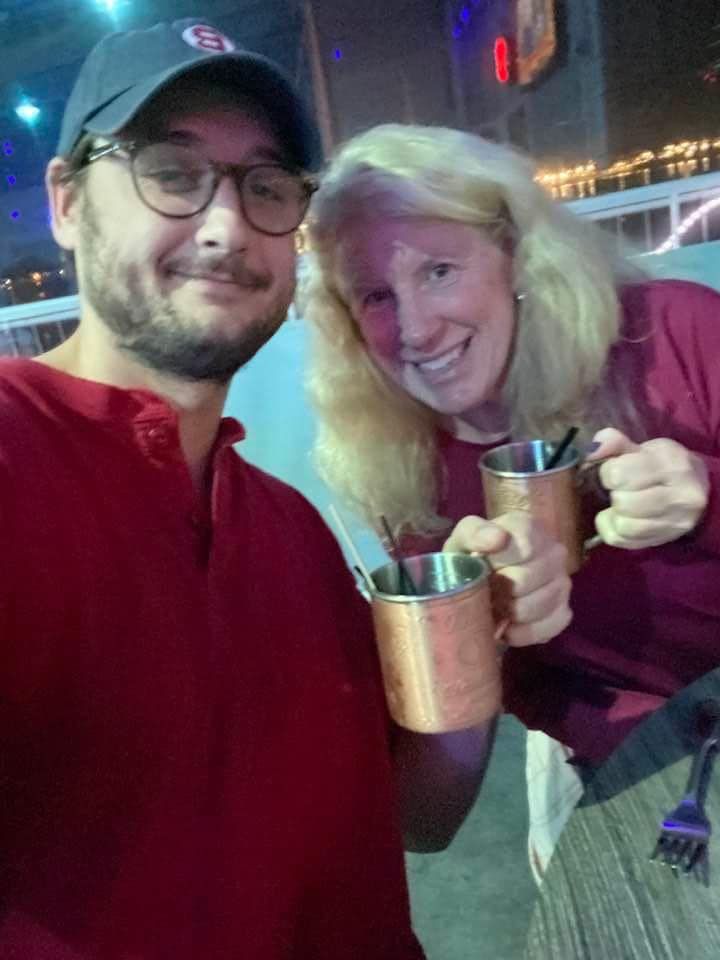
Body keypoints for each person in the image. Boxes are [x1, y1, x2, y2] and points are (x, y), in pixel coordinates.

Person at [0, 21, 573, 957]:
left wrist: (469, 636)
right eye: (173, 173)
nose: (227, 227)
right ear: (67, 202)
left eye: (266, 187)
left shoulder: (292, 531)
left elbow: (418, 816)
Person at [302, 123, 720, 881]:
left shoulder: (678, 334)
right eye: (375, 295)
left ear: (516, 255)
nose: (417, 329)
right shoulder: (402, 470)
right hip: (628, 769)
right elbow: (428, 817)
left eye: (438, 270)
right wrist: (474, 632)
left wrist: (709, 490)